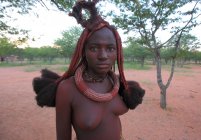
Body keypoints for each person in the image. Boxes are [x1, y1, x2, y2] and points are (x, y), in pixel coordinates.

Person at [32, 1, 145, 140]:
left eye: (110, 48)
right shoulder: (67, 88)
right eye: (94, 48)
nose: (103, 56)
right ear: (83, 51)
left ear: (118, 52)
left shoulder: (116, 83)